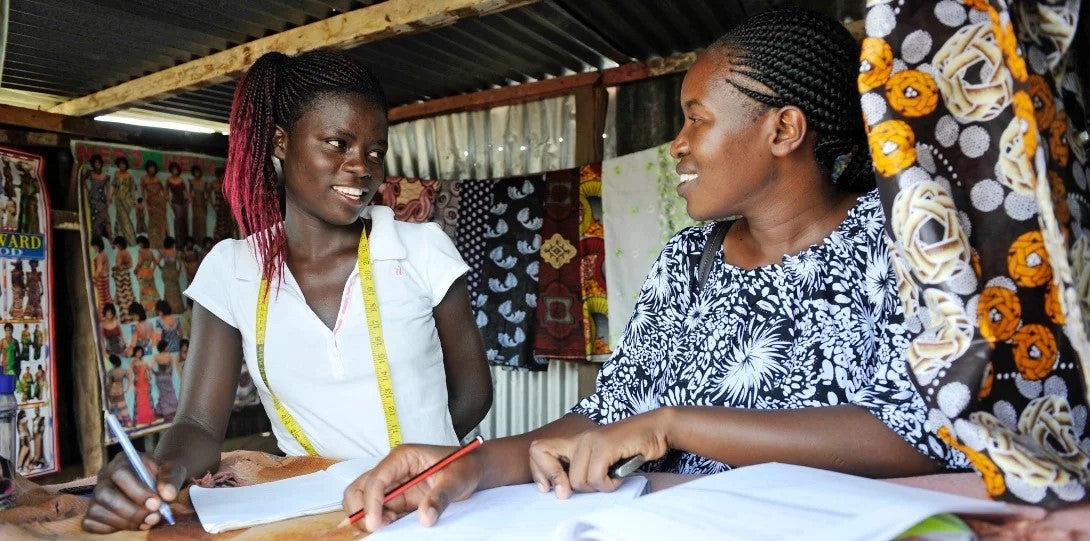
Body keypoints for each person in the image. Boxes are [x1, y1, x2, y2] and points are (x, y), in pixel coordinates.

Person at [343, 9, 970, 533]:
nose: (677, 143)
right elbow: (610, 414)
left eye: (696, 117)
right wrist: (469, 466)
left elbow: (922, 434)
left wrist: (670, 425)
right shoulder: (687, 261)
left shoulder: (901, 244)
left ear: (784, 129)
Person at [82, 49, 492, 534]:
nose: (361, 167)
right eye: (337, 143)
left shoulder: (420, 251)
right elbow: (197, 424)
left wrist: (416, 461)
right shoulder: (233, 271)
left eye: (375, 151)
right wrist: (163, 472)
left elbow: (474, 391)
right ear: (281, 142)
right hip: (315, 515)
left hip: (431, 508)